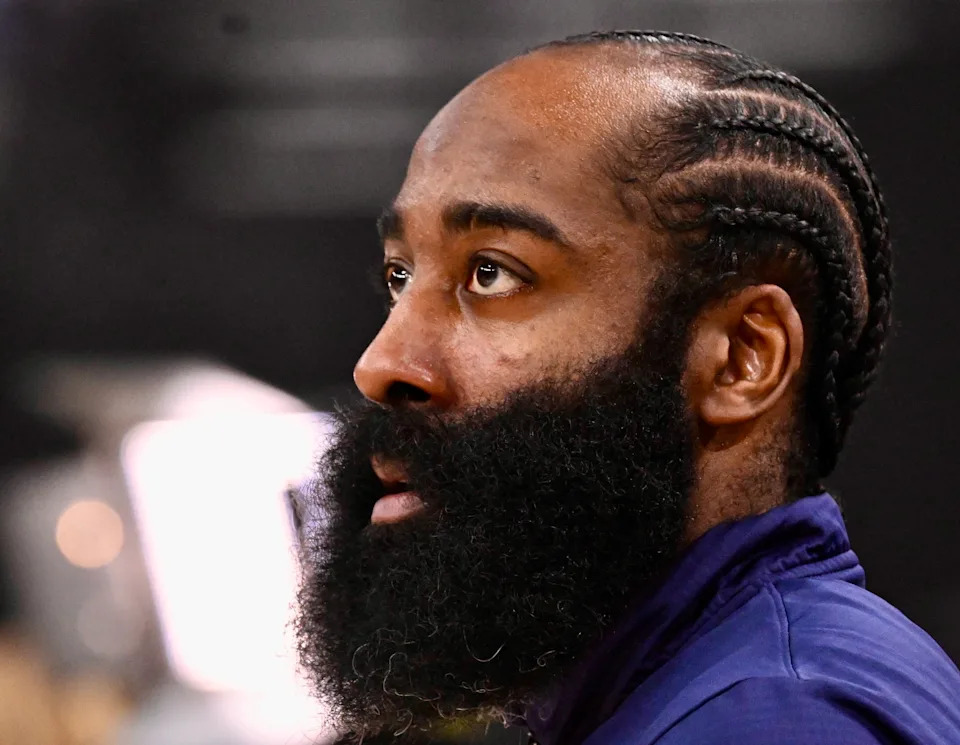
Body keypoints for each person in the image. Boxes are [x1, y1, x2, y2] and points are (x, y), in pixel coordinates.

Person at [294, 30, 960, 745]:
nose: (380, 363)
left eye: (492, 272)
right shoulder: (701, 684)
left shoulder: (775, 718)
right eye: (400, 276)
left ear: (741, 358)